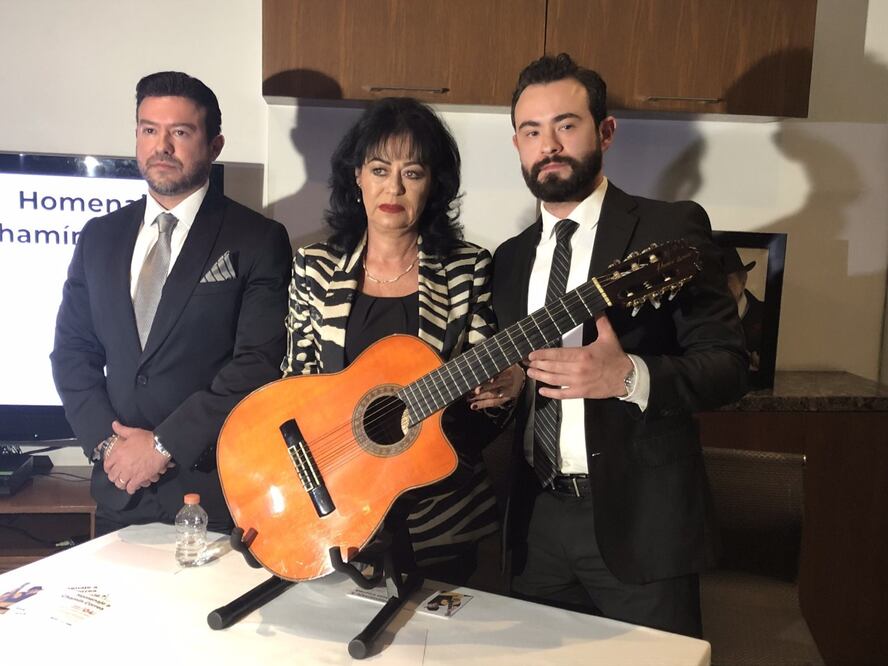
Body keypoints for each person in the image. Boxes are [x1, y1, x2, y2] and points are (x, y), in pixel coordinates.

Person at [490, 53, 748, 637]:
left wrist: (628, 376)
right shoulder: (507, 261)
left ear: (605, 131)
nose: (548, 144)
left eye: (566, 124)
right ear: (517, 144)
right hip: (537, 520)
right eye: (532, 131)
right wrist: (504, 389)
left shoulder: (671, 229)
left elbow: (729, 369)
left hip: (643, 525)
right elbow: (520, 384)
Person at [281, 97, 521, 585]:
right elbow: (293, 386)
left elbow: (487, 411)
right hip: (335, 504)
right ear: (357, 177)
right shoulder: (315, 266)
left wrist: (504, 390)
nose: (393, 187)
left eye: (412, 173)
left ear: (433, 186)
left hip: (440, 511)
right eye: (379, 169)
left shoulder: (467, 268)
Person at [51, 71, 292, 536]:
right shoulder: (99, 238)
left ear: (214, 144)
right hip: (121, 489)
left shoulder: (258, 239)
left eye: (180, 132)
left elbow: (257, 364)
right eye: (149, 130)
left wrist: (162, 446)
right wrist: (110, 449)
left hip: (214, 493)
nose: (162, 146)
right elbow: (72, 354)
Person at [723, 247, 763, 371]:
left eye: (725, 279)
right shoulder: (698, 315)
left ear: (743, 281)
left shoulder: (766, 314)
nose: (717, 287)